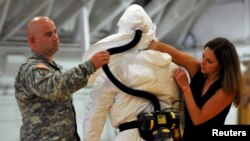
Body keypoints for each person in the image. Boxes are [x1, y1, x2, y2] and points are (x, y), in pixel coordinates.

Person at [82, 4, 183, 141]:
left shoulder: (114, 69)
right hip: (165, 135)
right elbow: (178, 108)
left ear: (123, 30)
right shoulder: (171, 67)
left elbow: (95, 114)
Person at [14, 16, 110, 141]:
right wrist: (89, 66)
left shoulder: (52, 69)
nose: (55, 37)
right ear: (33, 41)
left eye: (55, 31)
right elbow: (54, 88)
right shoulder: (31, 69)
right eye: (48, 34)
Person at [148, 37, 244, 140]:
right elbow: (171, 52)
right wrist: (146, 40)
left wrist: (185, 87)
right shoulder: (198, 68)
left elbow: (197, 119)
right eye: (203, 56)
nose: (202, 62)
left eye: (209, 61)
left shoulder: (227, 91)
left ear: (221, 65)